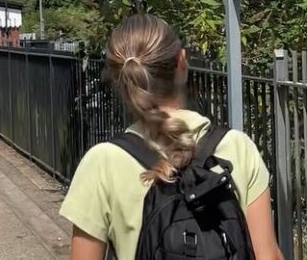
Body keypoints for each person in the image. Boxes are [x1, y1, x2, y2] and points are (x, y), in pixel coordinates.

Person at [60, 15, 282, 260]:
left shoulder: (102, 162)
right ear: (182, 62)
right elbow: (268, 256)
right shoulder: (238, 147)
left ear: (121, 81)